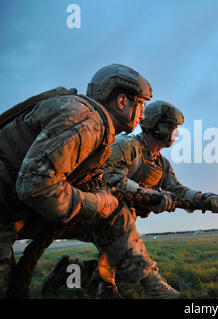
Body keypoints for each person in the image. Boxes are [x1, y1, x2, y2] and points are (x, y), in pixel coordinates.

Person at [41, 100, 218, 298]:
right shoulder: (127, 146)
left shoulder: (161, 164)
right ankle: (152, 286)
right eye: (173, 129)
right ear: (159, 126)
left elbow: (177, 190)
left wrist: (204, 198)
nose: (176, 134)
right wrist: (153, 196)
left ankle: (70, 273)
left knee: (120, 266)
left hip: (120, 222)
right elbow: (108, 179)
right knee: (127, 259)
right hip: (93, 213)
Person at [0, 63, 155, 299]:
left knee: (114, 217)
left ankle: (114, 285)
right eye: (141, 104)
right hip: (9, 215)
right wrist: (98, 203)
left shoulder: (93, 126)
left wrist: (142, 197)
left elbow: (91, 182)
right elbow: (35, 185)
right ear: (122, 101)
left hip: (10, 214)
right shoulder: (88, 121)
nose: (143, 114)